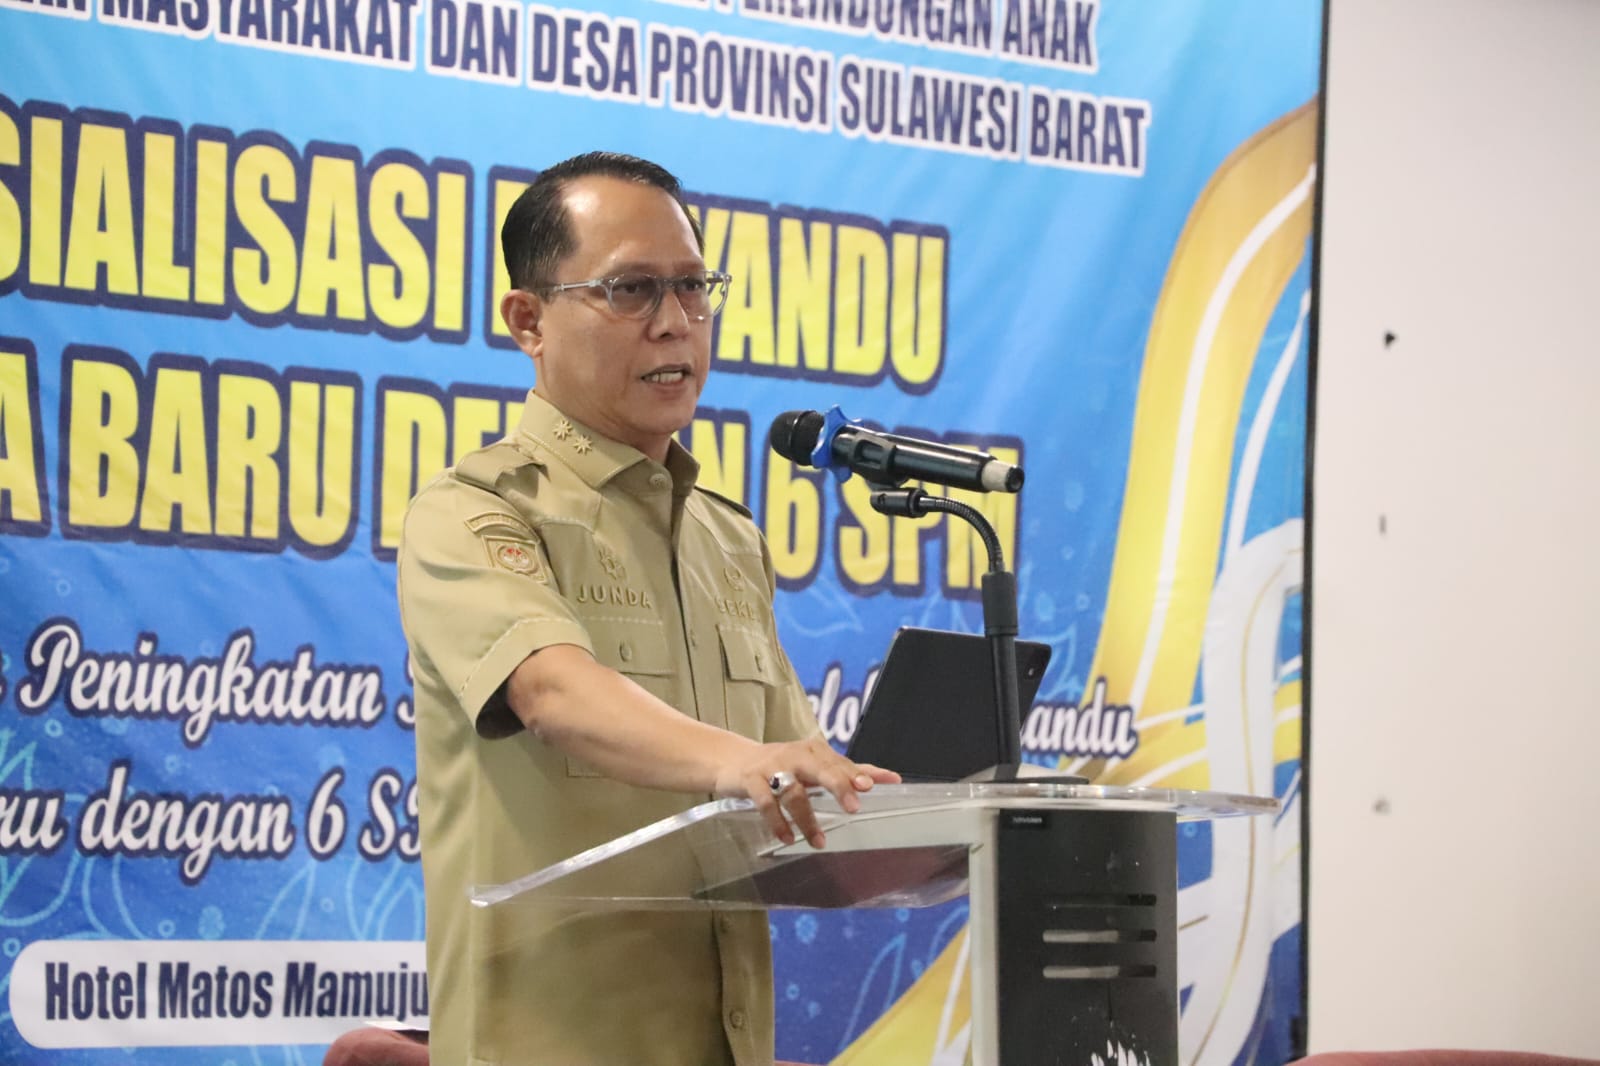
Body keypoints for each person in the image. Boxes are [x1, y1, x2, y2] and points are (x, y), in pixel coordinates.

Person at [396, 151, 899, 1066]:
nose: (674, 323)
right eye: (631, 290)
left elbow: (790, 780)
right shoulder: (474, 513)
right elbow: (553, 692)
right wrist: (747, 762)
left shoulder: (728, 541)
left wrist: (918, 817)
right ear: (528, 320)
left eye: (693, 288)